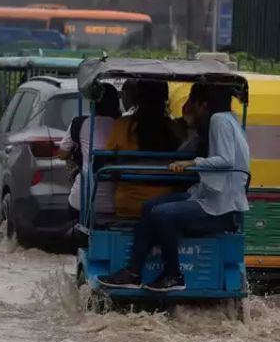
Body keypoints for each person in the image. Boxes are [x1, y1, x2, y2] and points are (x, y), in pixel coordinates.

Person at [102, 84, 250, 291]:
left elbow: (226, 160)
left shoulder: (218, 120)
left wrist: (191, 163)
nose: (187, 106)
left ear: (203, 104)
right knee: (149, 206)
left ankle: (174, 274)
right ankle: (133, 272)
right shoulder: (230, 119)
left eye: (191, 101)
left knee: (162, 213)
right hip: (208, 198)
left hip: (219, 208)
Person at [103, 80, 181, 218]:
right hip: (164, 203)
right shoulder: (174, 128)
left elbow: (105, 161)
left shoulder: (122, 125)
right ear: (165, 99)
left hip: (127, 204)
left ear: (137, 98)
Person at [58, 84, 121, 219]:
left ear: (93, 103)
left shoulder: (79, 123)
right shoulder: (124, 125)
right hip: (118, 203)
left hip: (81, 204)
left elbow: (62, 154)